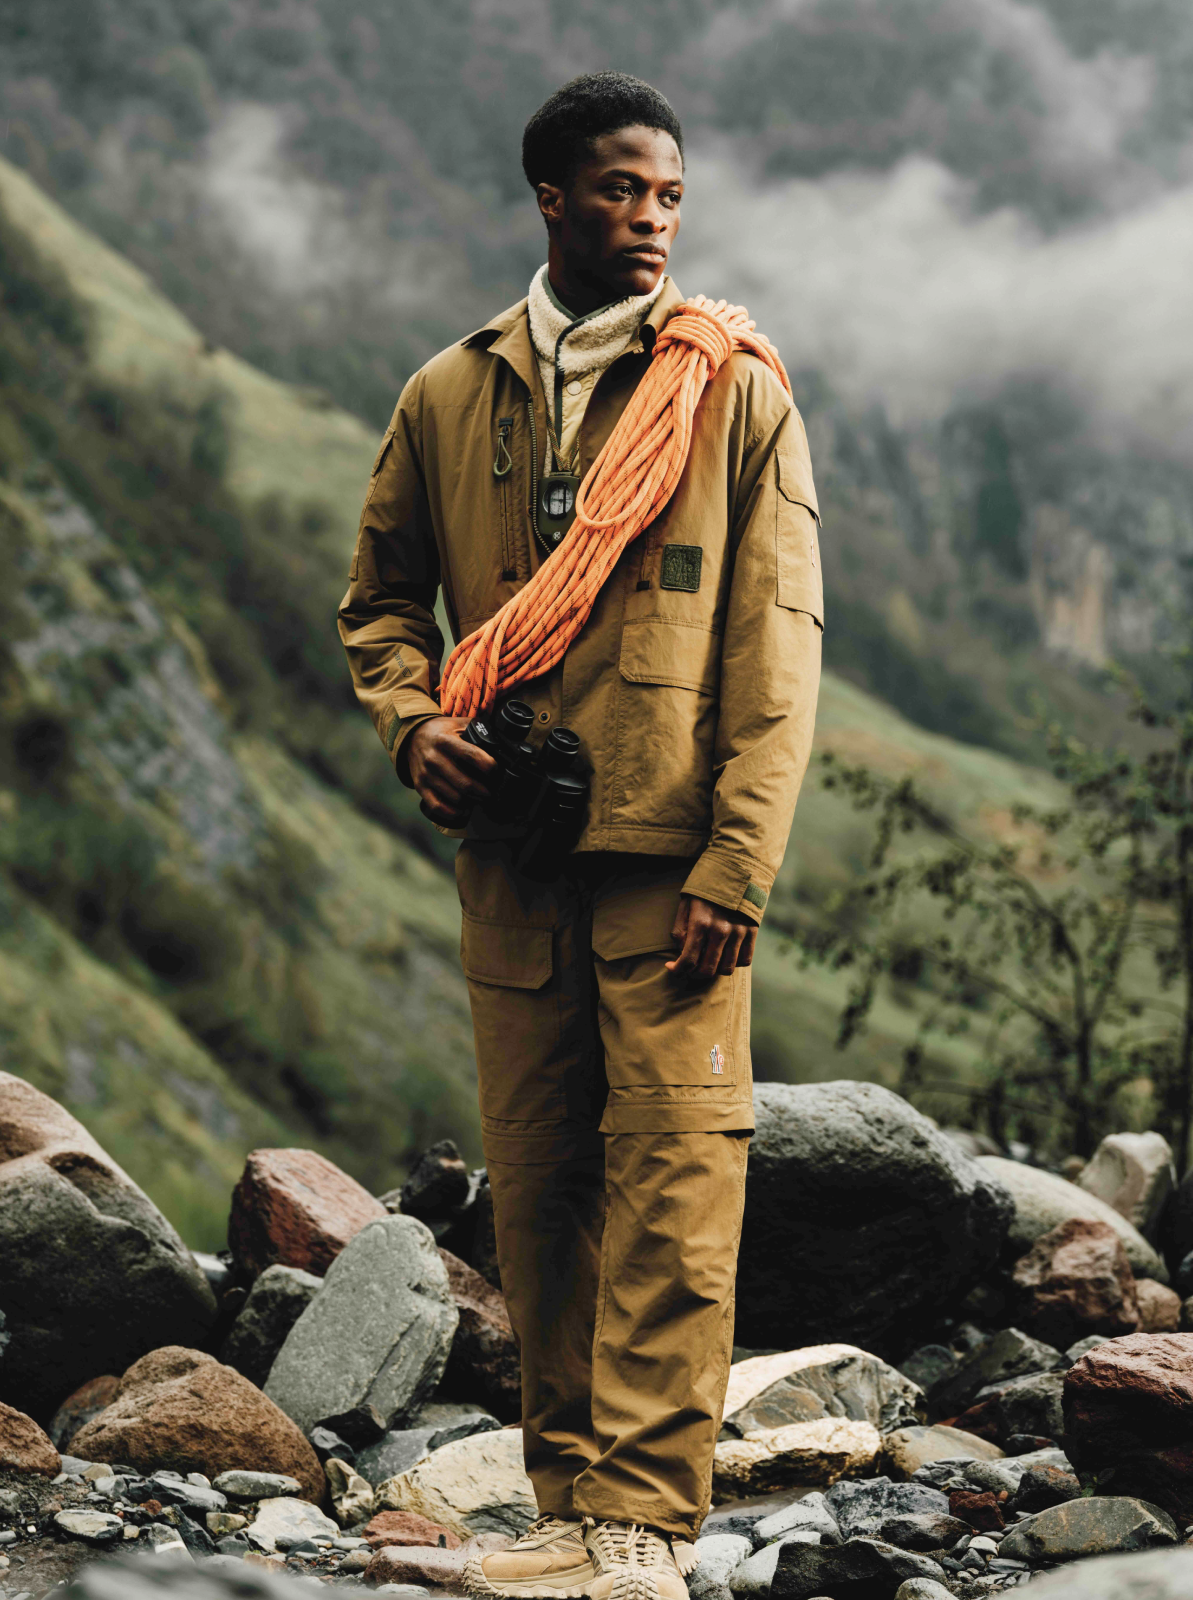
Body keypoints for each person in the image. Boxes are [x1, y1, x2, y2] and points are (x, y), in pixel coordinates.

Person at [338, 70, 823, 1600]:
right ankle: (564, 1506)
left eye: (672, 195)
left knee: (679, 1184)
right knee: (540, 1187)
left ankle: (643, 1535)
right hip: (514, 861)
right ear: (552, 196)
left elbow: (779, 644)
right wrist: (417, 724)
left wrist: (742, 859)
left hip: (675, 864)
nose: (654, 221)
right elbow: (379, 605)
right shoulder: (448, 393)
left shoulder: (733, 385)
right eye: (624, 191)